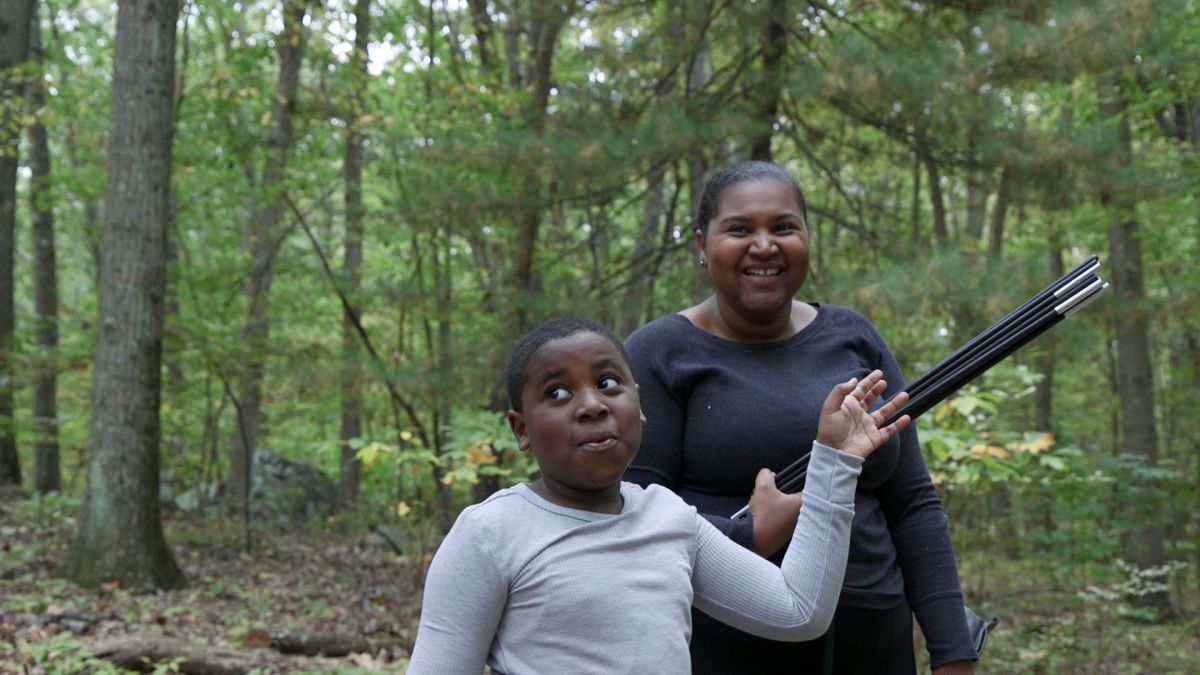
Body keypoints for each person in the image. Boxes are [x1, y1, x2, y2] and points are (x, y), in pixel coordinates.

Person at [624, 161, 977, 674]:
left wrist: (952, 650)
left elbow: (912, 503)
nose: (764, 245)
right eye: (740, 229)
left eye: (784, 227)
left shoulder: (852, 336)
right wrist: (745, 536)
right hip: (729, 637)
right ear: (702, 245)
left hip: (873, 631)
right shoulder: (660, 354)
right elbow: (633, 519)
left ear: (807, 239)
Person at [407, 317, 911, 674]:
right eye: (557, 393)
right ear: (521, 428)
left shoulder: (670, 518)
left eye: (608, 382)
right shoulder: (490, 534)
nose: (591, 406)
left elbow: (799, 611)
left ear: (640, 406)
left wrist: (834, 462)